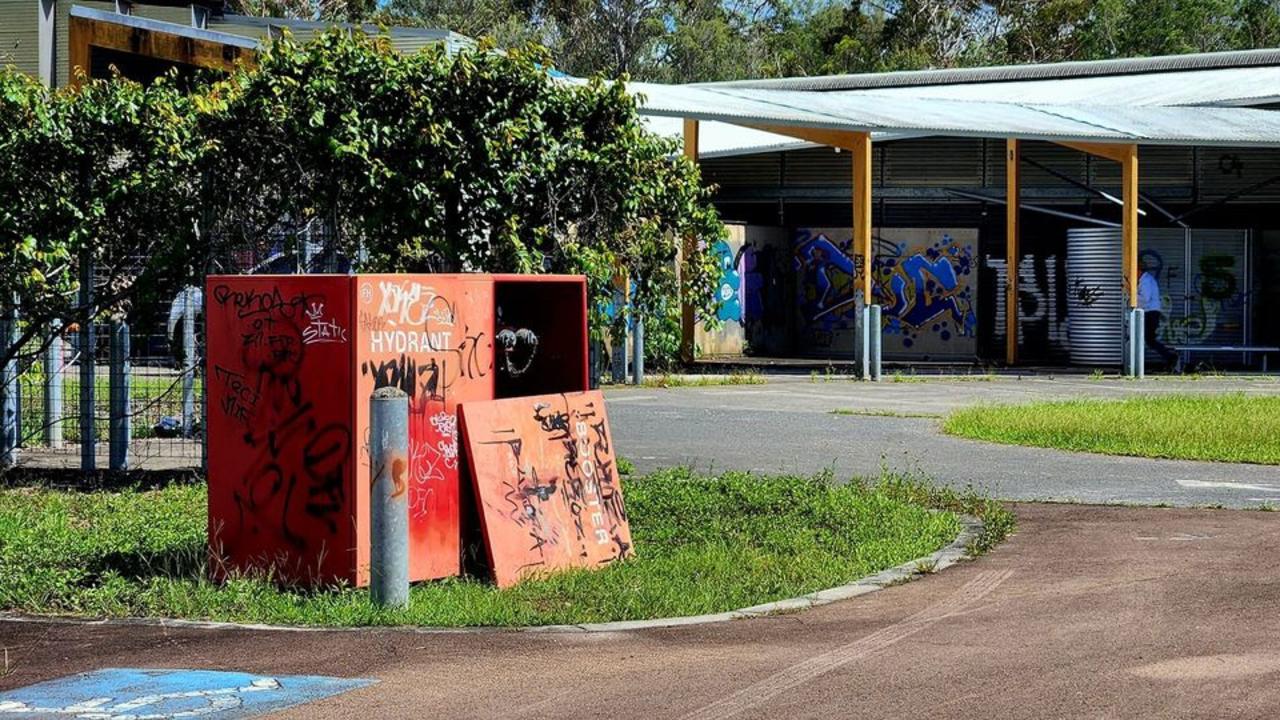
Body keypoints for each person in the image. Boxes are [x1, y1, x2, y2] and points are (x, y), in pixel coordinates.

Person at [1138, 258, 1179, 370]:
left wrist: (1131, 298)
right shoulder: (1145, 280)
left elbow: (1145, 299)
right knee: (1148, 339)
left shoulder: (1146, 281)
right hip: (1150, 313)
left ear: (1139, 270)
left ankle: (1170, 357)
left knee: (1149, 339)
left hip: (1150, 313)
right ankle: (1169, 357)